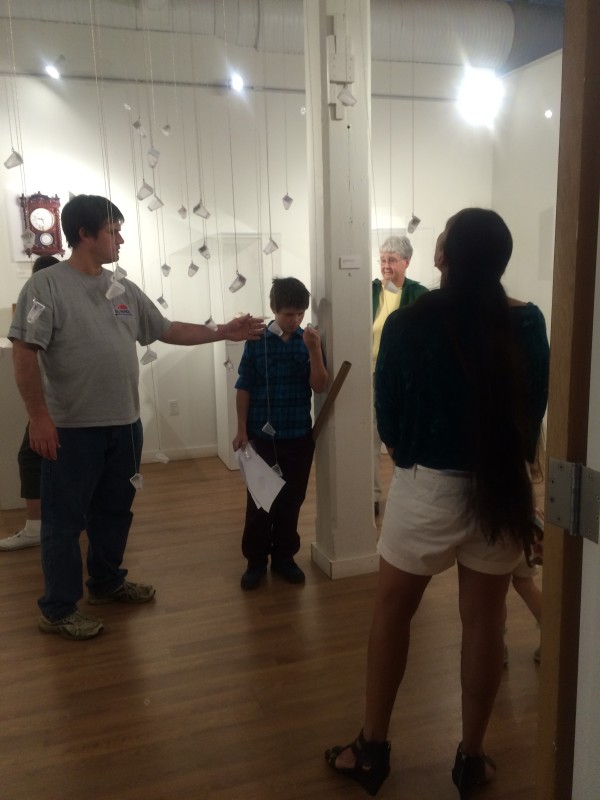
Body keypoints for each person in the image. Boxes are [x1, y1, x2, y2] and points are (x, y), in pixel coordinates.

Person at [325, 209, 549, 798]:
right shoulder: (528, 323)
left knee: (391, 612)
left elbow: (390, 423)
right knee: (485, 623)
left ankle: (372, 749)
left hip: (426, 487)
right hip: (501, 490)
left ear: (443, 258)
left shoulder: (408, 325)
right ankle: (471, 758)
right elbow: (534, 410)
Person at [8, 194, 265, 641]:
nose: (121, 239)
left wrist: (222, 331)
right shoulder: (46, 287)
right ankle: (57, 608)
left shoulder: (121, 287)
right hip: (71, 429)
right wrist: (38, 418)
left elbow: (165, 328)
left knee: (114, 511)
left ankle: (106, 584)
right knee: (65, 523)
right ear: (85, 235)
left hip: (124, 425)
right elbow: (25, 352)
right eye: (113, 231)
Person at [232, 277, 328, 590]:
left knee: (292, 500)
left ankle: (285, 557)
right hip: (263, 436)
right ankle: (256, 561)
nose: (296, 319)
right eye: (289, 314)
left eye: (300, 313)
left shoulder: (308, 340)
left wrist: (314, 350)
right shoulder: (257, 341)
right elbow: (244, 385)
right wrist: (241, 428)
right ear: (274, 310)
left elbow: (320, 385)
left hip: (299, 434)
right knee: (261, 502)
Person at [0, 255, 60, 551]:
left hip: (54, 401)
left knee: (31, 456)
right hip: (63, 399)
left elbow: (24, 352)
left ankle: (36, 526)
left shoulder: (40, 300)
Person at [372, 235, 427, 515]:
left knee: (401, 437)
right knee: (369, 439)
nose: (385, 265)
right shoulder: (370, 291)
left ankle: (405, 492)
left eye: (392, 260)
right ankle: (372, 496)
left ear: (406, 262)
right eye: (382, 259)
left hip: (404, 381)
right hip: (370, 377)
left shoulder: (419, 294)